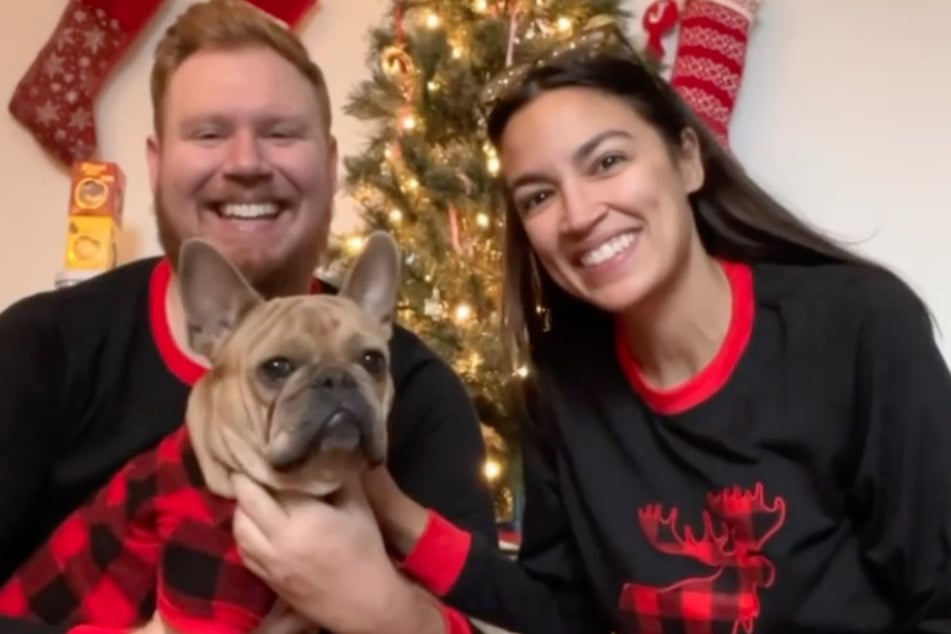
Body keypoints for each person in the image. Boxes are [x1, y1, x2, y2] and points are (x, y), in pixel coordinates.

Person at [250, 22, 951, 634]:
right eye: (539, 196)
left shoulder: (856, 328)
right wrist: (389, 510)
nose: (579, 214)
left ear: (686, 159)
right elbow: (561, 613)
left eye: (607, 162)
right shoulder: (562, 384)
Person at [0, 1, 495, 632]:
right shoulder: (40, 349)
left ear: (332, 161)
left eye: (281, 133)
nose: (245, 163)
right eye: (207, 133)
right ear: (155, 164)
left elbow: (494, 612)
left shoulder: (419, 393)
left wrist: (383, 610)